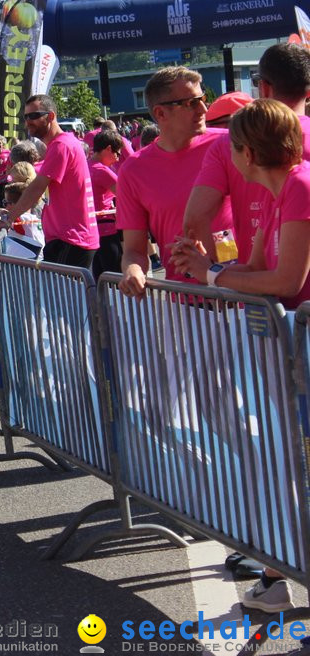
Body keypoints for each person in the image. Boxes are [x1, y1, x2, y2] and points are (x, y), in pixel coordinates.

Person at [172, 99, 310, 613]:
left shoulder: (299, 185)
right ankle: (277, 577)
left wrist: (211, 275)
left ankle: (279, 576)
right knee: (293, 468)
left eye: (232, 147)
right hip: (294, 352)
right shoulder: (275, 193)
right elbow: (252, 266)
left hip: (302, 348)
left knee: (301, 469)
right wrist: (210, 266)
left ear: (248, 152)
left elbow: (284, 282)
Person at [185, 44, 310, 265]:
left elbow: (195, 218)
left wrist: (215, 271)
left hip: (258, 285)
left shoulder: (229, 143)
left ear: (263, 88)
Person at [116, 67, 232, 298]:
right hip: (185, 300)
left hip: (245, 294)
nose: (203, 109)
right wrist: (133, 271)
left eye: (202, 99)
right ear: (160, 114)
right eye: (191, 103)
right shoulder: (134, 170)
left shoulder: (229, 144)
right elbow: (133, 250)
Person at [0, 94, 99, 268]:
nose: (28, 122)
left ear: (50, 116)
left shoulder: (61, 146)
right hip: (70, 238)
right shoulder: (62, 144)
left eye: (33, 116)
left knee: (62, 295)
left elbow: (36, 188)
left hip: (71, 239)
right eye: (25, 117)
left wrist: (8, 219)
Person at [89, 129, 122, 278]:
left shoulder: (85, 166)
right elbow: (126, 196)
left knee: (99, 275)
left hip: (90, 229)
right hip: (106, 228)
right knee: (116, 275)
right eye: (117, 153)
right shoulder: (102, 171)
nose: (117, 158)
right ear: (108, 149)